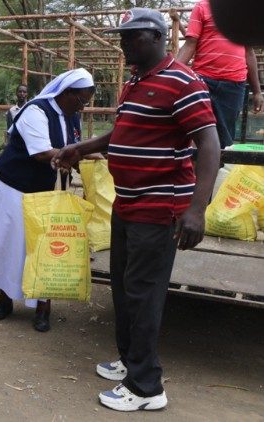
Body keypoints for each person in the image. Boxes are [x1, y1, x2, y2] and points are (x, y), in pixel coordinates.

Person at [53, 8, 220, 412]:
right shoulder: (135, 81)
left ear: (159, 38)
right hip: (128, 203)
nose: (124, 43)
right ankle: (130, 361)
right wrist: (82, 147)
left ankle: (147, 387)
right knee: (125, 288)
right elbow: (124, 132)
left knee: (145, 295)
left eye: (132, 37)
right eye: (123, 36)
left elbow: (211, 144)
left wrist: (196, 211)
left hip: (159, 207)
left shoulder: (183, 82)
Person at [0, 68, 96, 333]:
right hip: (13, 186)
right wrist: (83, 156)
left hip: (42, 190)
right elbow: (43, 153)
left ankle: (43, 309)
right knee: (10, 244)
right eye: (81, 100)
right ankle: (5, 300)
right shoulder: (35, 111)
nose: (83, 107)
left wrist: (85, 165)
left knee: (46, 246)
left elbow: (71, 149)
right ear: (67, 93)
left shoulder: (71, 115)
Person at [177, 0, 263, 149]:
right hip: (202, 80)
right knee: (197, 130)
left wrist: (257, 92)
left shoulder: (242, 11)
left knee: (225, 133)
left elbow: (249, 52)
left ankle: (222, 170)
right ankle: (195, 169)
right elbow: (190, 44)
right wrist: (170, 73)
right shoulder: (202, 7)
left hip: (234, 84)